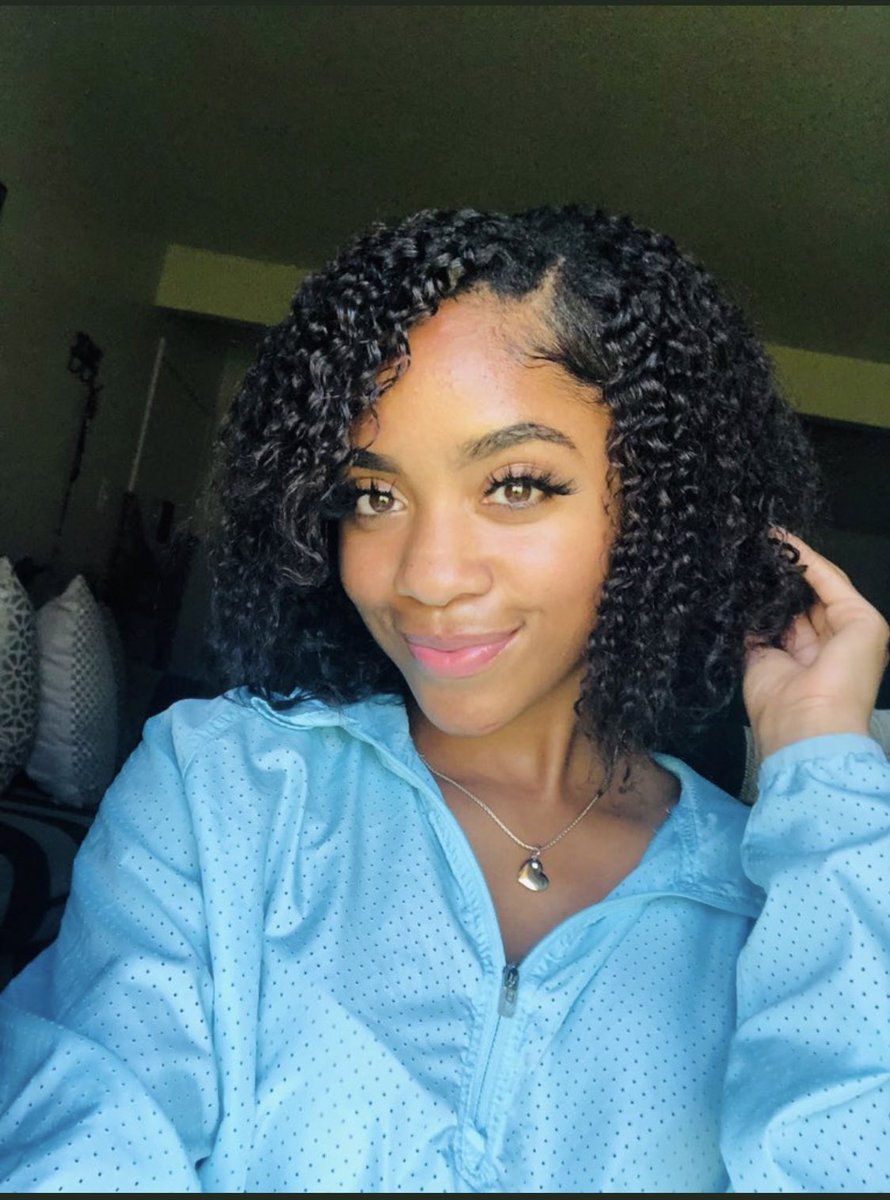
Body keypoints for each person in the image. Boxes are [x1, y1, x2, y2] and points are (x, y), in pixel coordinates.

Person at [1, 205, 888, 1193]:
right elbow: (85, 1140)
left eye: (515, 484)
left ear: (664, 503)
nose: (424, 575)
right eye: (371, 495)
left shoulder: (783, 889)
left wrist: (822, 762)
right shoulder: (223, 786)